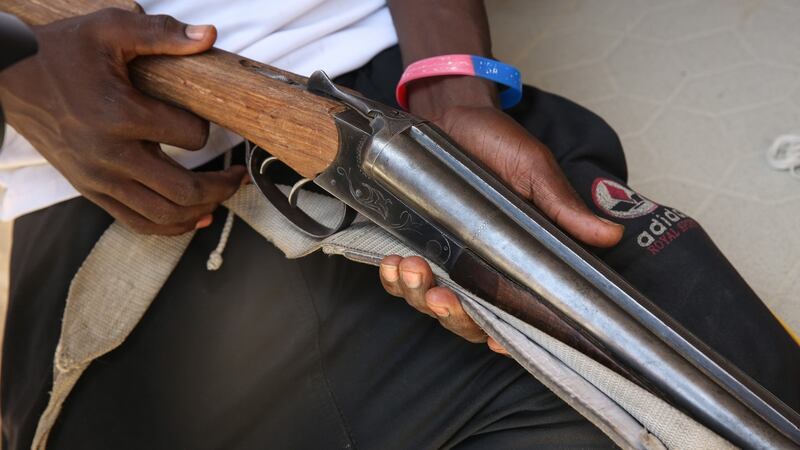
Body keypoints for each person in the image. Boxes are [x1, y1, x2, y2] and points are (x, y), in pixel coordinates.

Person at [1, 1, 798, 449]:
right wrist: (19, 70)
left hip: (401, 106)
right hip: (92, 201)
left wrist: (455, 85)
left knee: (736, 395)